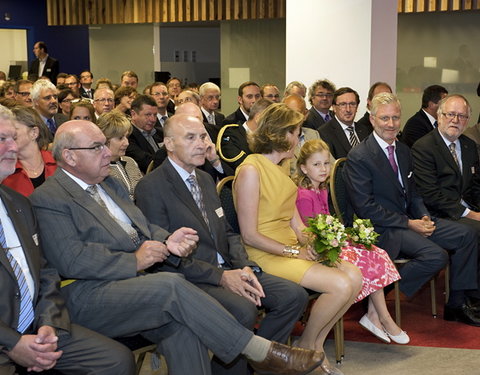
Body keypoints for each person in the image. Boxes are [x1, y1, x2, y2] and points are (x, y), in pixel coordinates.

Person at [29, 119, 325, 375]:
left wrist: (166, 240)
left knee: (183, 325)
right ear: (68, 156)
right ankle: (259, 351)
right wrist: (135, 260)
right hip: (85, 293)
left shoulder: (110, 185)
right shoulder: (49, 198)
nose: (109, 152)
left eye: (105, 144)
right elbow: (72, 260)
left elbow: (141, 228)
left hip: (133, 286)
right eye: (97, 147)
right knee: (170, 285)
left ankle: (258, 353)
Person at [135, 113, 309, 375]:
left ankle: (256, 365)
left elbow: (228, 232)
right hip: (188, 277)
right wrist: (222, 277)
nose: (202, 143)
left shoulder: (204, 179)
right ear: (169, 144)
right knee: (243, 308)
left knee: (293, 295)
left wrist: (246, 266)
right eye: (190, 137)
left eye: (203, 136)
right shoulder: (152, 186)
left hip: (228, 267)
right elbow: (166, 256)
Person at [0, 106, 135, 375]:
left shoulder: (17, 204)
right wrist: (12, 343)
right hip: (5, 337)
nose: (14, 147)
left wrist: (49, 323)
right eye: (3, 139)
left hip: (35, 324)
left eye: (14, 137)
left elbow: (45, 272)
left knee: (116, 360)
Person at [234, 103, 362, 375]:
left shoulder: (282, 168)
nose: (299, 139)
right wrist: (295, 253)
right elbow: (249, 235)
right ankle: (308, 349)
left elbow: (298, 225)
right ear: (280, 134)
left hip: (289, 249)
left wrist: (317, 241)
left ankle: (314, 344)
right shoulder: (251, 170)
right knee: (339, 285)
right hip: (264, 254)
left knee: (354, 276)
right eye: (296, 132)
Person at [344, 92, 480, 327]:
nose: (391, 124)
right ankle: (377, 298)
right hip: (384, 227)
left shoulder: (403, 150)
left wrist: (423, 217)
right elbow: (366, 208)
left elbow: (415, 193)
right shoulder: (360, 156)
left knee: (467, 234)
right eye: (385, 118)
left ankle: (457, 304)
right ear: (372, 119)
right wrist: (409, 223)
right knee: (435, 256)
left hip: (411, 220)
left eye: (396, 118)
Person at [295, 139, 408, 344]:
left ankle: (376, 314)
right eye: (316, 164)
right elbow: (309, 234)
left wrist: (346, 236)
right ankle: (381, 317)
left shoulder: (321, 189)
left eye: (326, 163)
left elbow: (328, 221)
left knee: (376, 252)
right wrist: (338, 239)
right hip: (317, 250)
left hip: (331, 242)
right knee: (364, 259)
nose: (323, 169)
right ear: (303, 168)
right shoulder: (304, 195)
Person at [411, 94, 480, 310]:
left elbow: (475, 186)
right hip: (434, 215)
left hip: (462, 211)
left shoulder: (469, 146)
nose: (455, 120)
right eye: (450, 114)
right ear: (439, 116)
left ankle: (474, 294)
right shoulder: (424, 147)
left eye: (461, 116)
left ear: (468, 120)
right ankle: (459, 303)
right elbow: (431, 194)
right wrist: (470, 214)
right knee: (472, 231)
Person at [2, 107, 56, 196]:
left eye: (14, 129)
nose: (9, 134)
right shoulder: (5, 170)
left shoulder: (59, 163)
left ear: (34, 132)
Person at [97, 110, 142, 200]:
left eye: (127, 137)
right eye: (120, 138)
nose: (127, 143)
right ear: (105, 139)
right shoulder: (98, 168)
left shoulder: (130, 161)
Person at [318, 87, 371, 159]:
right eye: (343, 104)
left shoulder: (365, 130)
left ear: (357, 107)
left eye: (352, 104)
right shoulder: (324, 133)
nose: (348, 109)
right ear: (334, 108)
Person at [126, 94, 163, 173]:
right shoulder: (127, 137)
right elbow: (147, 163)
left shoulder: (160, 133)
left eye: (155, 115)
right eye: (148, 115)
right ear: (133, 114)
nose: (153, 119)